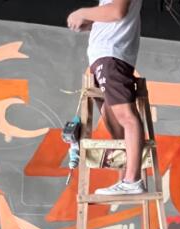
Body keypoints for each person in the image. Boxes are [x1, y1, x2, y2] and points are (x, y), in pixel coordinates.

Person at [67, 0, 145, 195]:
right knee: (114, 120)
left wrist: (82, 12)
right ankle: (126, 179)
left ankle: (132, 181)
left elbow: (117, 11)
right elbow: (114, 15)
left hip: (111, 56)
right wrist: (92, 23)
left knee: (126, 116)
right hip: (106, 56)